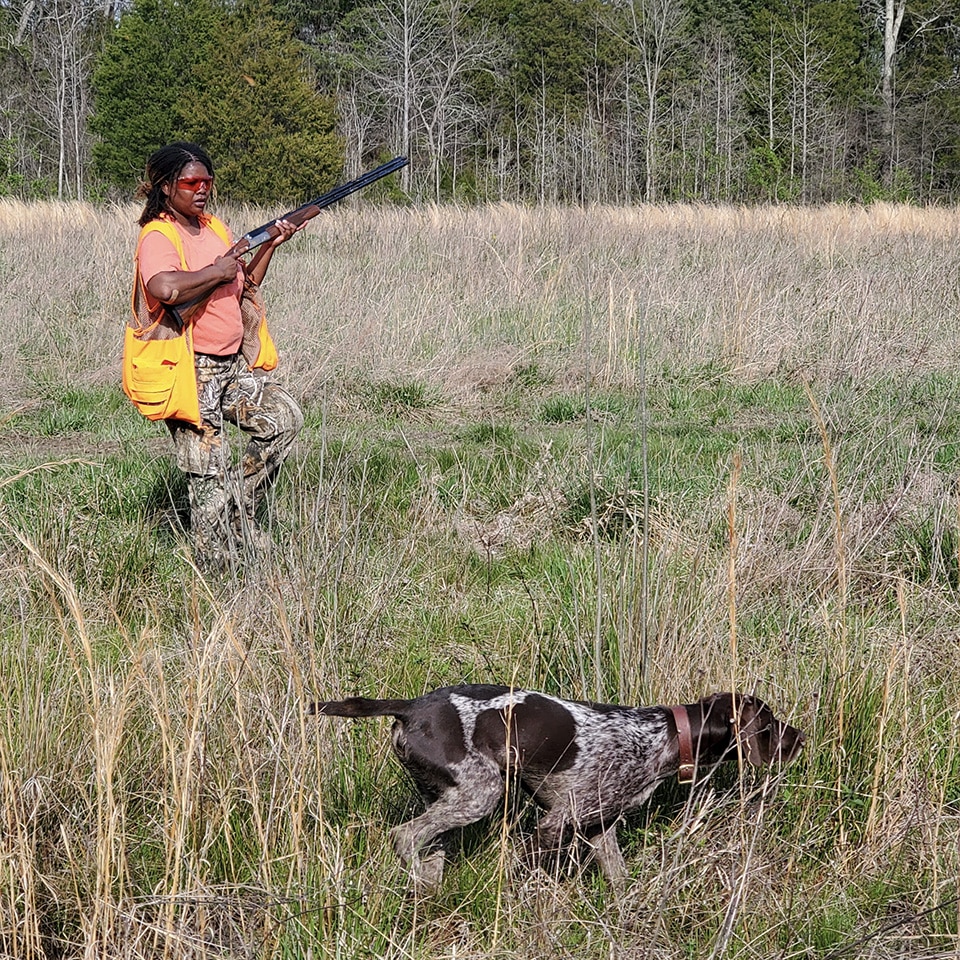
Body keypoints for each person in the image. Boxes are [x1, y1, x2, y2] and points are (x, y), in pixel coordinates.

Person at [128, 141, 304, 570]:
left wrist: (270, 246)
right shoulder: (158, 233)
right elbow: (165, 288)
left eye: (207, 181)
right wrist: (216, 271)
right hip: (190, 369)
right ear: (167, 187)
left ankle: (240, 514)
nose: (202, 189)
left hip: (228, 367)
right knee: (208, 472)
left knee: (284, 419)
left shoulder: (215, 227)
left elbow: (241, 283)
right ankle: (212, 570)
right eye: (191, 182)